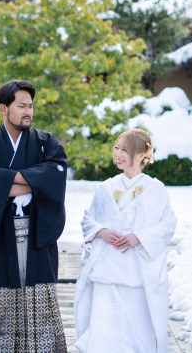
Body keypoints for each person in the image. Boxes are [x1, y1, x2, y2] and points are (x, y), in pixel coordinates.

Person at [0, 80, 68, 353]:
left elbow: (55, 179)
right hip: (0, 236)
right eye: (21, 106)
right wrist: (34, 181)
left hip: (37, 234)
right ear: (3, 109)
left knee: (40, 304)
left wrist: (3, 183)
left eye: (31, 106)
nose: (28, 112)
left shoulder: (47, 143)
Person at [74, 129, 177, 353]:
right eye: (117, 148)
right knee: (105, 330)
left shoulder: (155, 189)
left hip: (138, 274)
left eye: (125, 150)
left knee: (138, 331)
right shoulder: (104, 188)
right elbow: (87, 219)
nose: (118, 154)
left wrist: (138, 237)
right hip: (107, 272)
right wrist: (100, 231)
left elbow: (167, 225)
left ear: (142, 155)